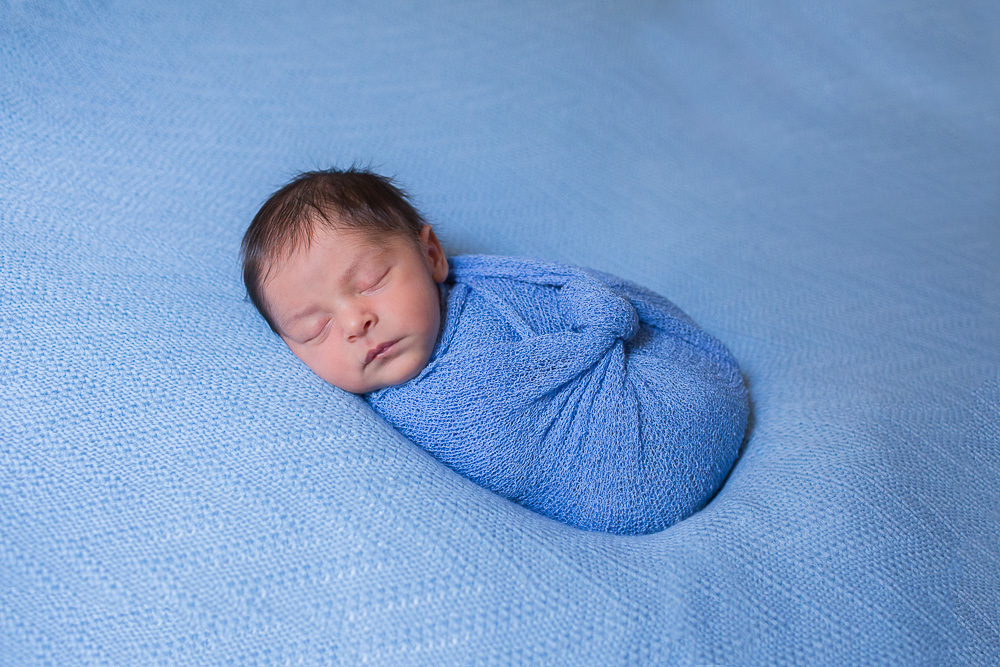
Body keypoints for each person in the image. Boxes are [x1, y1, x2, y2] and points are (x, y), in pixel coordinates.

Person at [241, 167, 748, 535]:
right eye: (315, 328)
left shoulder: (492, 301)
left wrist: (593, 330)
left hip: (671, 413)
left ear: (433, 257)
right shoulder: (354, 428)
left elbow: (596, 312)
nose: (355, 323)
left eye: (371, 282)